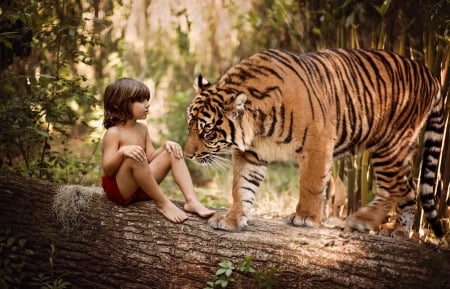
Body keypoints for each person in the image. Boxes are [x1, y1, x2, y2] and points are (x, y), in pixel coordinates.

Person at [101, 77, 215, 223]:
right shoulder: (113, 133)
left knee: (172, 149)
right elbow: (108, 170)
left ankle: (191, 200)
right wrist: (122, 152)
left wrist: (164, 147)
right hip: (121, 190)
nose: (147, 105)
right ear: (120, 104)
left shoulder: (142, 129)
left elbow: (149, 159)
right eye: (141, 101)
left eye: (147, 100)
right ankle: (163, 203)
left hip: (143, 186)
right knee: (134, 157)